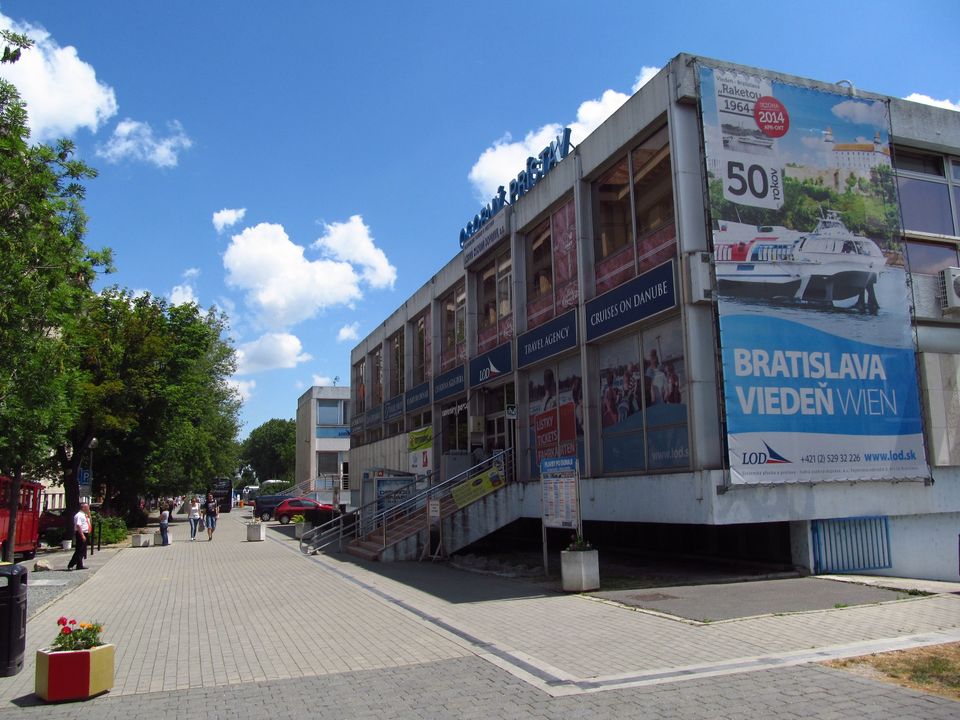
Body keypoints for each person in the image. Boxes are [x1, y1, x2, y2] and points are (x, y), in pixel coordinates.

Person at [66, 502, 91, 570]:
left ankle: (79, 565)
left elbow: (89, 521)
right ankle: (71, 564)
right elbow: (78, 525)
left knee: (83, 550)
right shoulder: (79, 515)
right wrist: (82, 535)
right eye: (87, 507)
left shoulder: (85, 515)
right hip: (81, 533)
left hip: (85, 533)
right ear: (83, 508)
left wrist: (89, 514)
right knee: (79, 550)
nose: (88, 508)